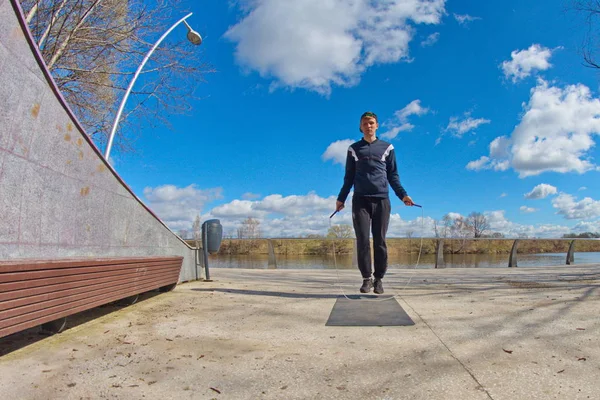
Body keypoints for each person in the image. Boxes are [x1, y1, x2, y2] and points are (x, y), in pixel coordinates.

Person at [336, 111, 415, 294]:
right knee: (362, 240)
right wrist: (341, 199)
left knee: (380, 240)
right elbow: (348, 177)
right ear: (360, 127)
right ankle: (366, 279)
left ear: (377, 125)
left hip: (381, 199)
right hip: (360, 200)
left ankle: (379, 279)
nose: (368, 126)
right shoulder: (354, 149)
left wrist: (403, 195)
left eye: (371, 123)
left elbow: (393, 176)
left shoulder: (387, 147)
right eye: (365, 123)